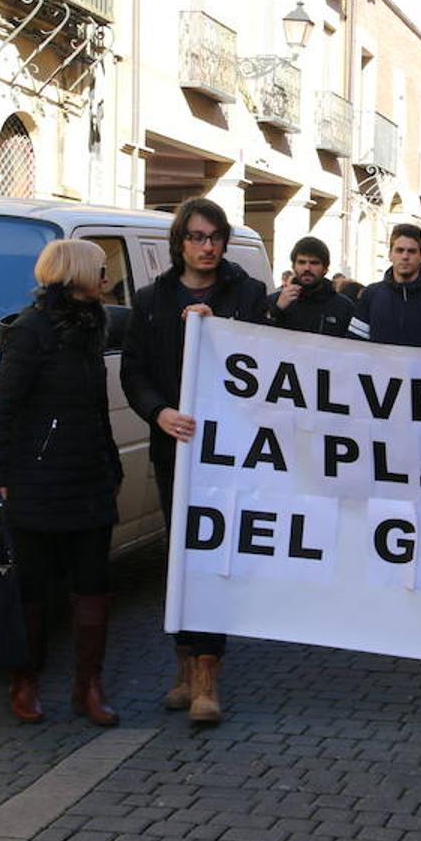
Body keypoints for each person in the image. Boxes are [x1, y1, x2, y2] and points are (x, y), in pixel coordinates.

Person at [120, 197, 268, 723]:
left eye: (215, 238)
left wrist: (221, 328)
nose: (207, 247)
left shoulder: (247, 295)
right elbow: (133, 370)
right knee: (180, 558)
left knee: (211, 557)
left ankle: (208, 677)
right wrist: (158, 413)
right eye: (197, 238)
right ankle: (183, 670)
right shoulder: (151, 299)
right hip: (173, 446)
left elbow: (269, 361)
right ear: (179, 243)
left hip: (228, 453)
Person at [0, 239, 123, 727]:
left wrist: (110, 464)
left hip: (89, 480)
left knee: (94, 586)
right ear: (76, 272)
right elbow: (3, 405)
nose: (106, 277)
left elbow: (94, 407)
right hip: (37, 481)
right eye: (101, 269)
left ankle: (89, 686)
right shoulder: (32, 330)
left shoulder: (91, 327)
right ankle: (26, 680)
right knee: (33, 590)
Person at [348, 223, 421, 346]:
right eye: (399, 250)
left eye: (411, 251)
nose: (405, 256)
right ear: (390, 254)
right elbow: (354, 345)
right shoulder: (371, 294)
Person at [266, 236, 354, 337]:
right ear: (293, 266)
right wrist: (276, 309)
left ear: (325, 268)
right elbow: (258, 337)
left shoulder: (343, 307)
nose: (307, 268)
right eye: (301, 262)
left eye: (314, 263)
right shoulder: (275, 300)